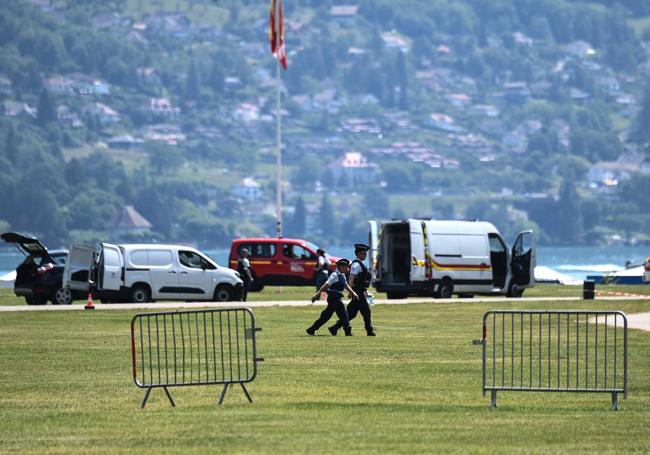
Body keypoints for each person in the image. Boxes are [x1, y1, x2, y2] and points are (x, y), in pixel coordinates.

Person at [329, 243, 376, 336]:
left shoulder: (360, 264)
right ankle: (369, 331)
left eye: (366, 253)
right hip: (357, 292)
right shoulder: (356, 265)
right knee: (366, 311)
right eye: (363, 253)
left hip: (360, 291)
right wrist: (351, 292)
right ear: (358, 254)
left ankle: (334, 328)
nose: (365, 255)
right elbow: (351, 278)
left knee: (351, 313)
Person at [306, 258, 357, 336]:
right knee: (344, 315)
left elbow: (345, 285)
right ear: (341, 267)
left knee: (326, 316)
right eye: (347, 267)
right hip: (334, 298)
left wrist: (353, 292)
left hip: (336, 298)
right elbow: (326, 285)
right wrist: (318, 294)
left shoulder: (342, 275)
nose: (348, 269)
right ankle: (348, 332)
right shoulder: (334, 275)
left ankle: (311, 329)